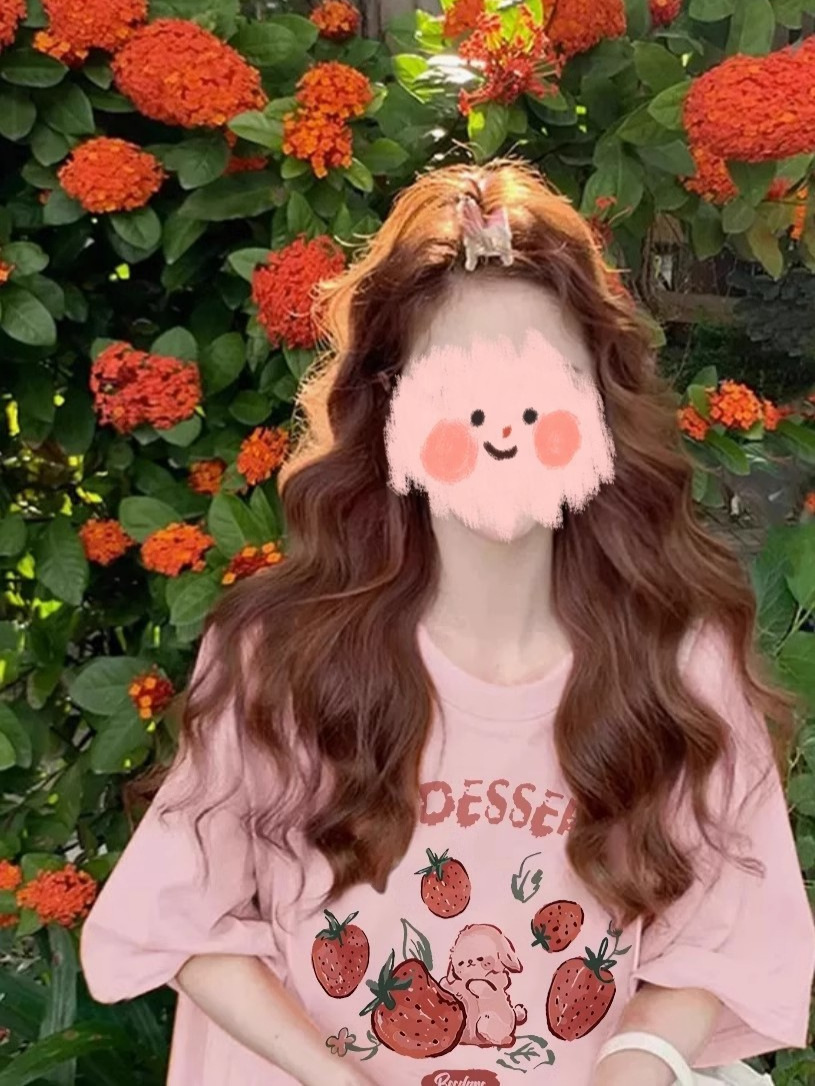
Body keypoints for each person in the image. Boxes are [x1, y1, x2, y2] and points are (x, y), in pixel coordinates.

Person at [79, 159, 815, 1086]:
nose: (500, 425)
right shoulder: (282, 655)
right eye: (461, 386)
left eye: (540, 383)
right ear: (390, 407)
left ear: (598, 405)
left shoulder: (680, 664)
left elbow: (719, 932)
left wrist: (631, 1067)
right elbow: (182, 916)